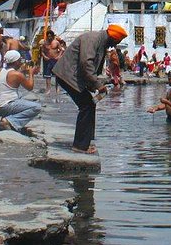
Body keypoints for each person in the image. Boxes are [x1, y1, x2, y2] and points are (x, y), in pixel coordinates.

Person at [54, 24, 128, 154]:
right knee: (87, 106)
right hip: (68, 75)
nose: (114, 46)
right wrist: (98, 85)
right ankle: (80, 146)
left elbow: (92, 67)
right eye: (116, 42)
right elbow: (86, 63)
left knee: (89, 105)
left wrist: (95, 84)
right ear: (113, 37)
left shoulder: (101, 42)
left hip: (73, 76)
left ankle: (85, 142)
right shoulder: (93, 39)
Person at [0, 49, 40, 134]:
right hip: (4, 106)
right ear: (16, 61)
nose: (21, 62)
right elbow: (30, 87)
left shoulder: (1, 70)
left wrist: (22, 71)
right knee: (36, 107)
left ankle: (6, 122)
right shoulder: (16, 74)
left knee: (19, 96)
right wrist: (31, 74)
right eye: (20, 60)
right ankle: (10, 121)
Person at [41, 29, 60, 93]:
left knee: (57, 75)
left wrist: (59, 56)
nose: (49, 37)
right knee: (47, 75)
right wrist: (44, 56)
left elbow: (61, 50)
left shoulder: (56, 42)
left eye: (50, 36)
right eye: (48, 36)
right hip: (48, 60)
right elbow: (42, 51)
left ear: (52, 36)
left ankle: (57, 88)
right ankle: (48, 89)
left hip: (55, 60)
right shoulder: (44, 43)